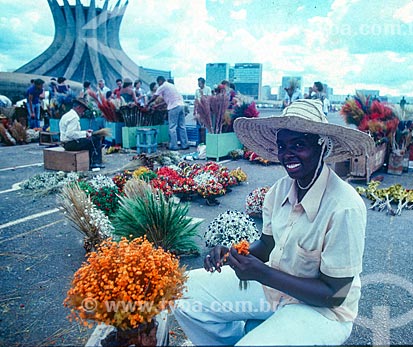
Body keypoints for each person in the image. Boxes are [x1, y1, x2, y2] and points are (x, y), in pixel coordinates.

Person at [173, 99, 374, 346]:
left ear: (322, 147)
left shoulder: (345, 207)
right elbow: (267, 247)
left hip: (324, 312)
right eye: (282, 146)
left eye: (298, 145)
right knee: (183, 292)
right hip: (277, 290)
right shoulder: (279, 191)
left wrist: (262, 273)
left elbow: (335, 295)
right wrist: (233, 254)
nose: (287, 154)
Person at [59, 98, 104, 169]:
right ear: (78, 108)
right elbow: (70, 134)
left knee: (90, 140)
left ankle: (91, 161)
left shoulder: (67, 115)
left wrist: (85, 133)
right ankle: (94, 162)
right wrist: (85, 134)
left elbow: (72, 132)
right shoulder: (74, 117)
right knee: (95, 139)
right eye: (83, 109)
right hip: (70, 144)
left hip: (66, 143)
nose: (83, 112)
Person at [147, 76, 188, 150]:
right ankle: (184, 145)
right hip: (181, 106)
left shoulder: (163, 86)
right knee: (182, 126)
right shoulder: (171, 85)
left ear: (160, 81)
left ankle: (174, 146)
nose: (158, 85)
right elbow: (166, 101)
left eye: (158, 83)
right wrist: (157, 106)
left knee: (172, 127)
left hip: (174, 107)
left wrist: (147, 104)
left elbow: (154, 96)